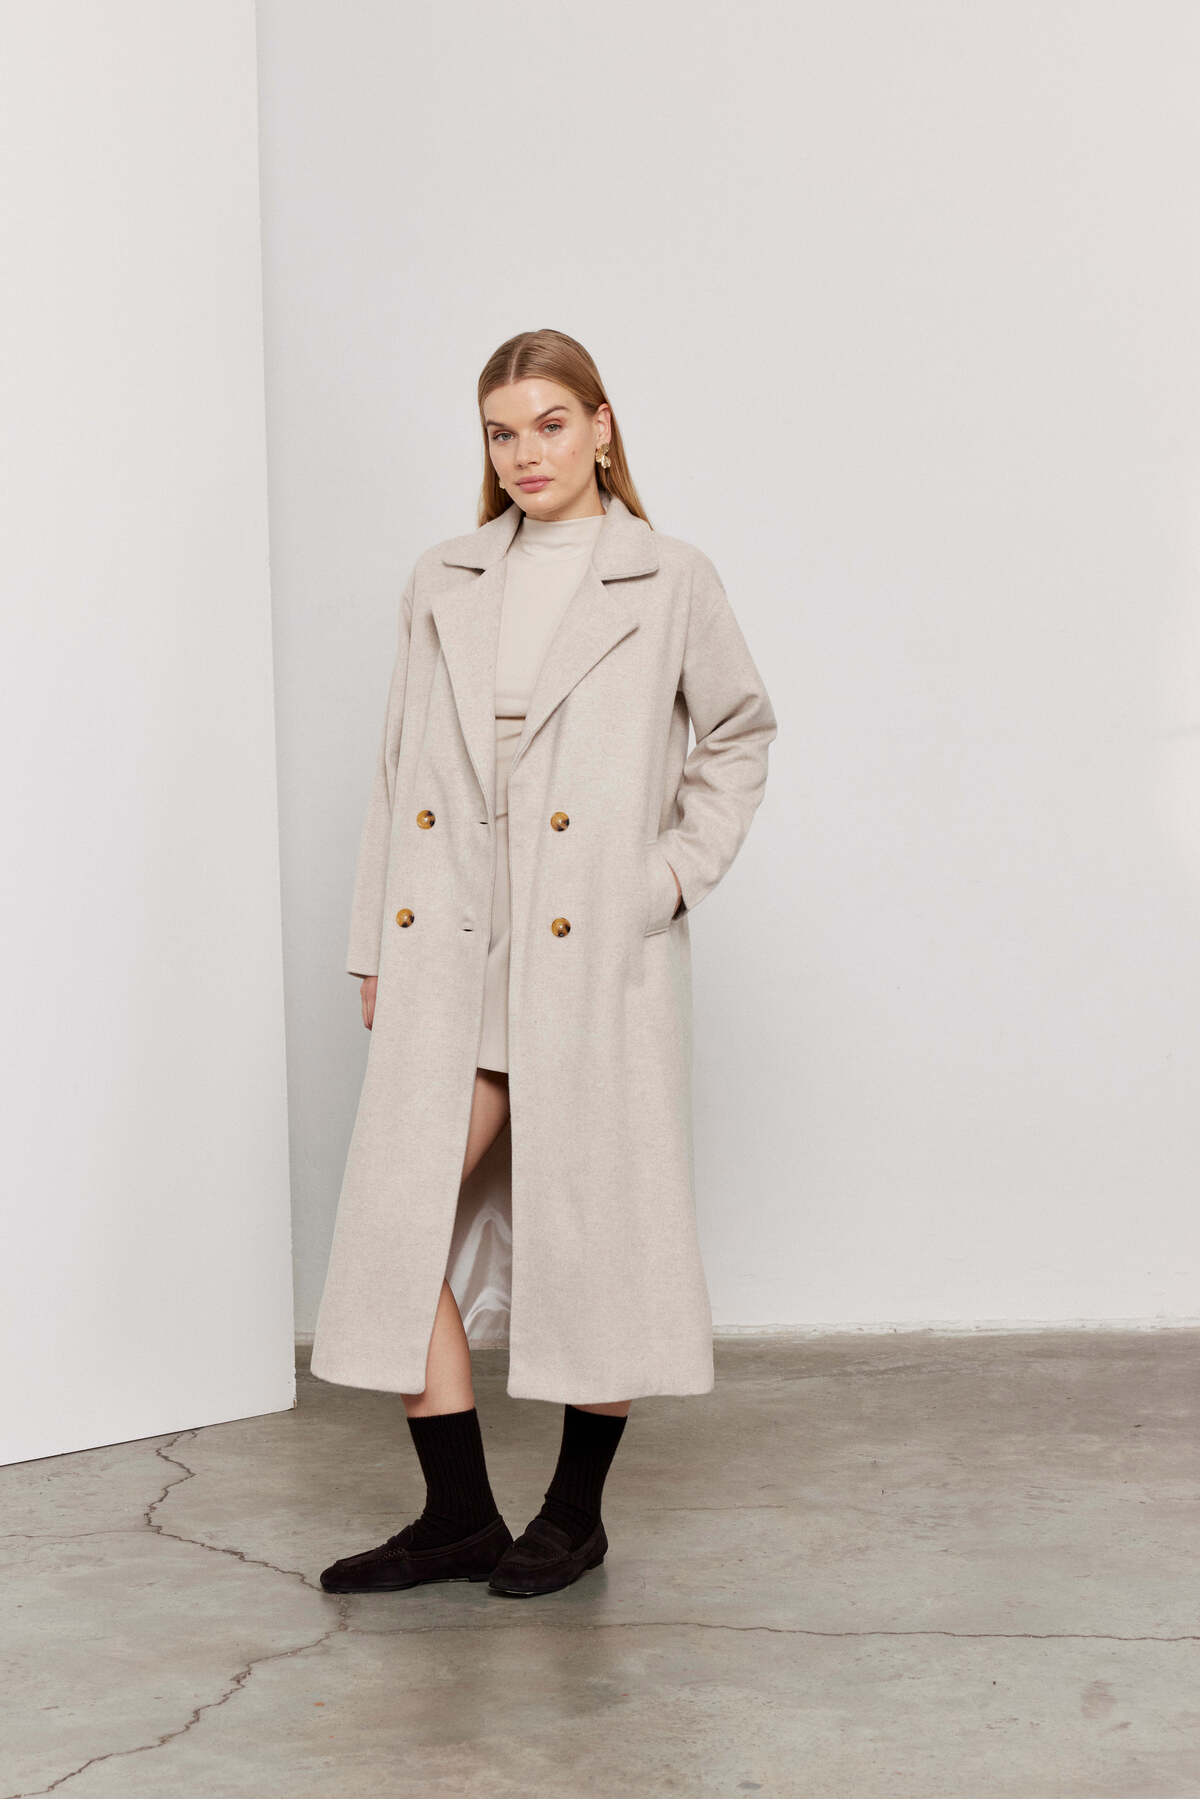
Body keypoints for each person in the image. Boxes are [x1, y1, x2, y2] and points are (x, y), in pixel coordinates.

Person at [316, 328, 777, 1599]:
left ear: (601, 426)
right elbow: (395, 768)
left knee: (594, 1226)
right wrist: (372, 947)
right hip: (450, 938)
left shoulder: (668, 577)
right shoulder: (446, 576)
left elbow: (739, 735)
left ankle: (574, 1516)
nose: (526, 454)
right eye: (502, 432)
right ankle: (459, 1514)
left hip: (590, 950)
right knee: (396, 1224)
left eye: (550, 425)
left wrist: (664, 879)